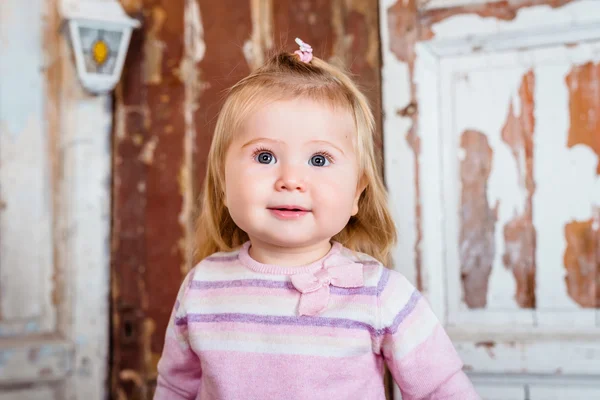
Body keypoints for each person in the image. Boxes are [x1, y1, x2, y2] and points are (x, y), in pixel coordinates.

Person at [154, 38, 480, 400]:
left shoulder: (378, 293)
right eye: (264, 157)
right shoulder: (203, 287)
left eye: (319, 160)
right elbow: (175, 388)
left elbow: (442, 389)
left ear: (358, 192)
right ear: (223, 182)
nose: (290, 179)